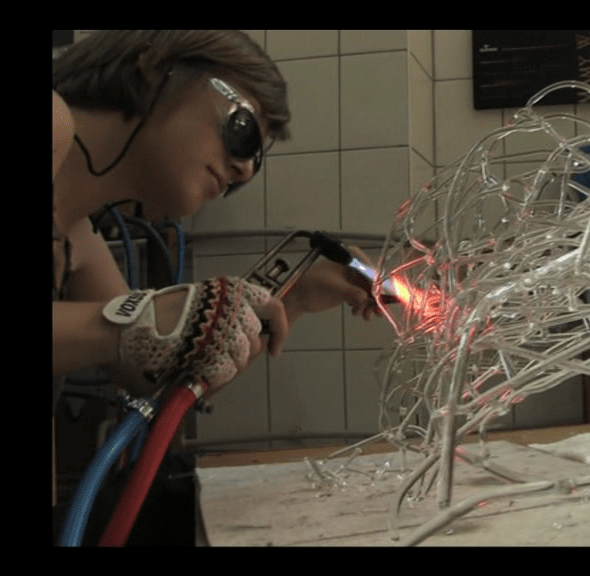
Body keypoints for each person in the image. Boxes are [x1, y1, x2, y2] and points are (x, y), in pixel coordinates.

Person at [52, 30, 379, 408]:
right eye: (243, 131)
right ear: (157, 69)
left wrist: (294, 298)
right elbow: (131, 334)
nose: (244, 169)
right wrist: (141, 322)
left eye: (256, 161)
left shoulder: (79, 240)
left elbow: (155, 381)